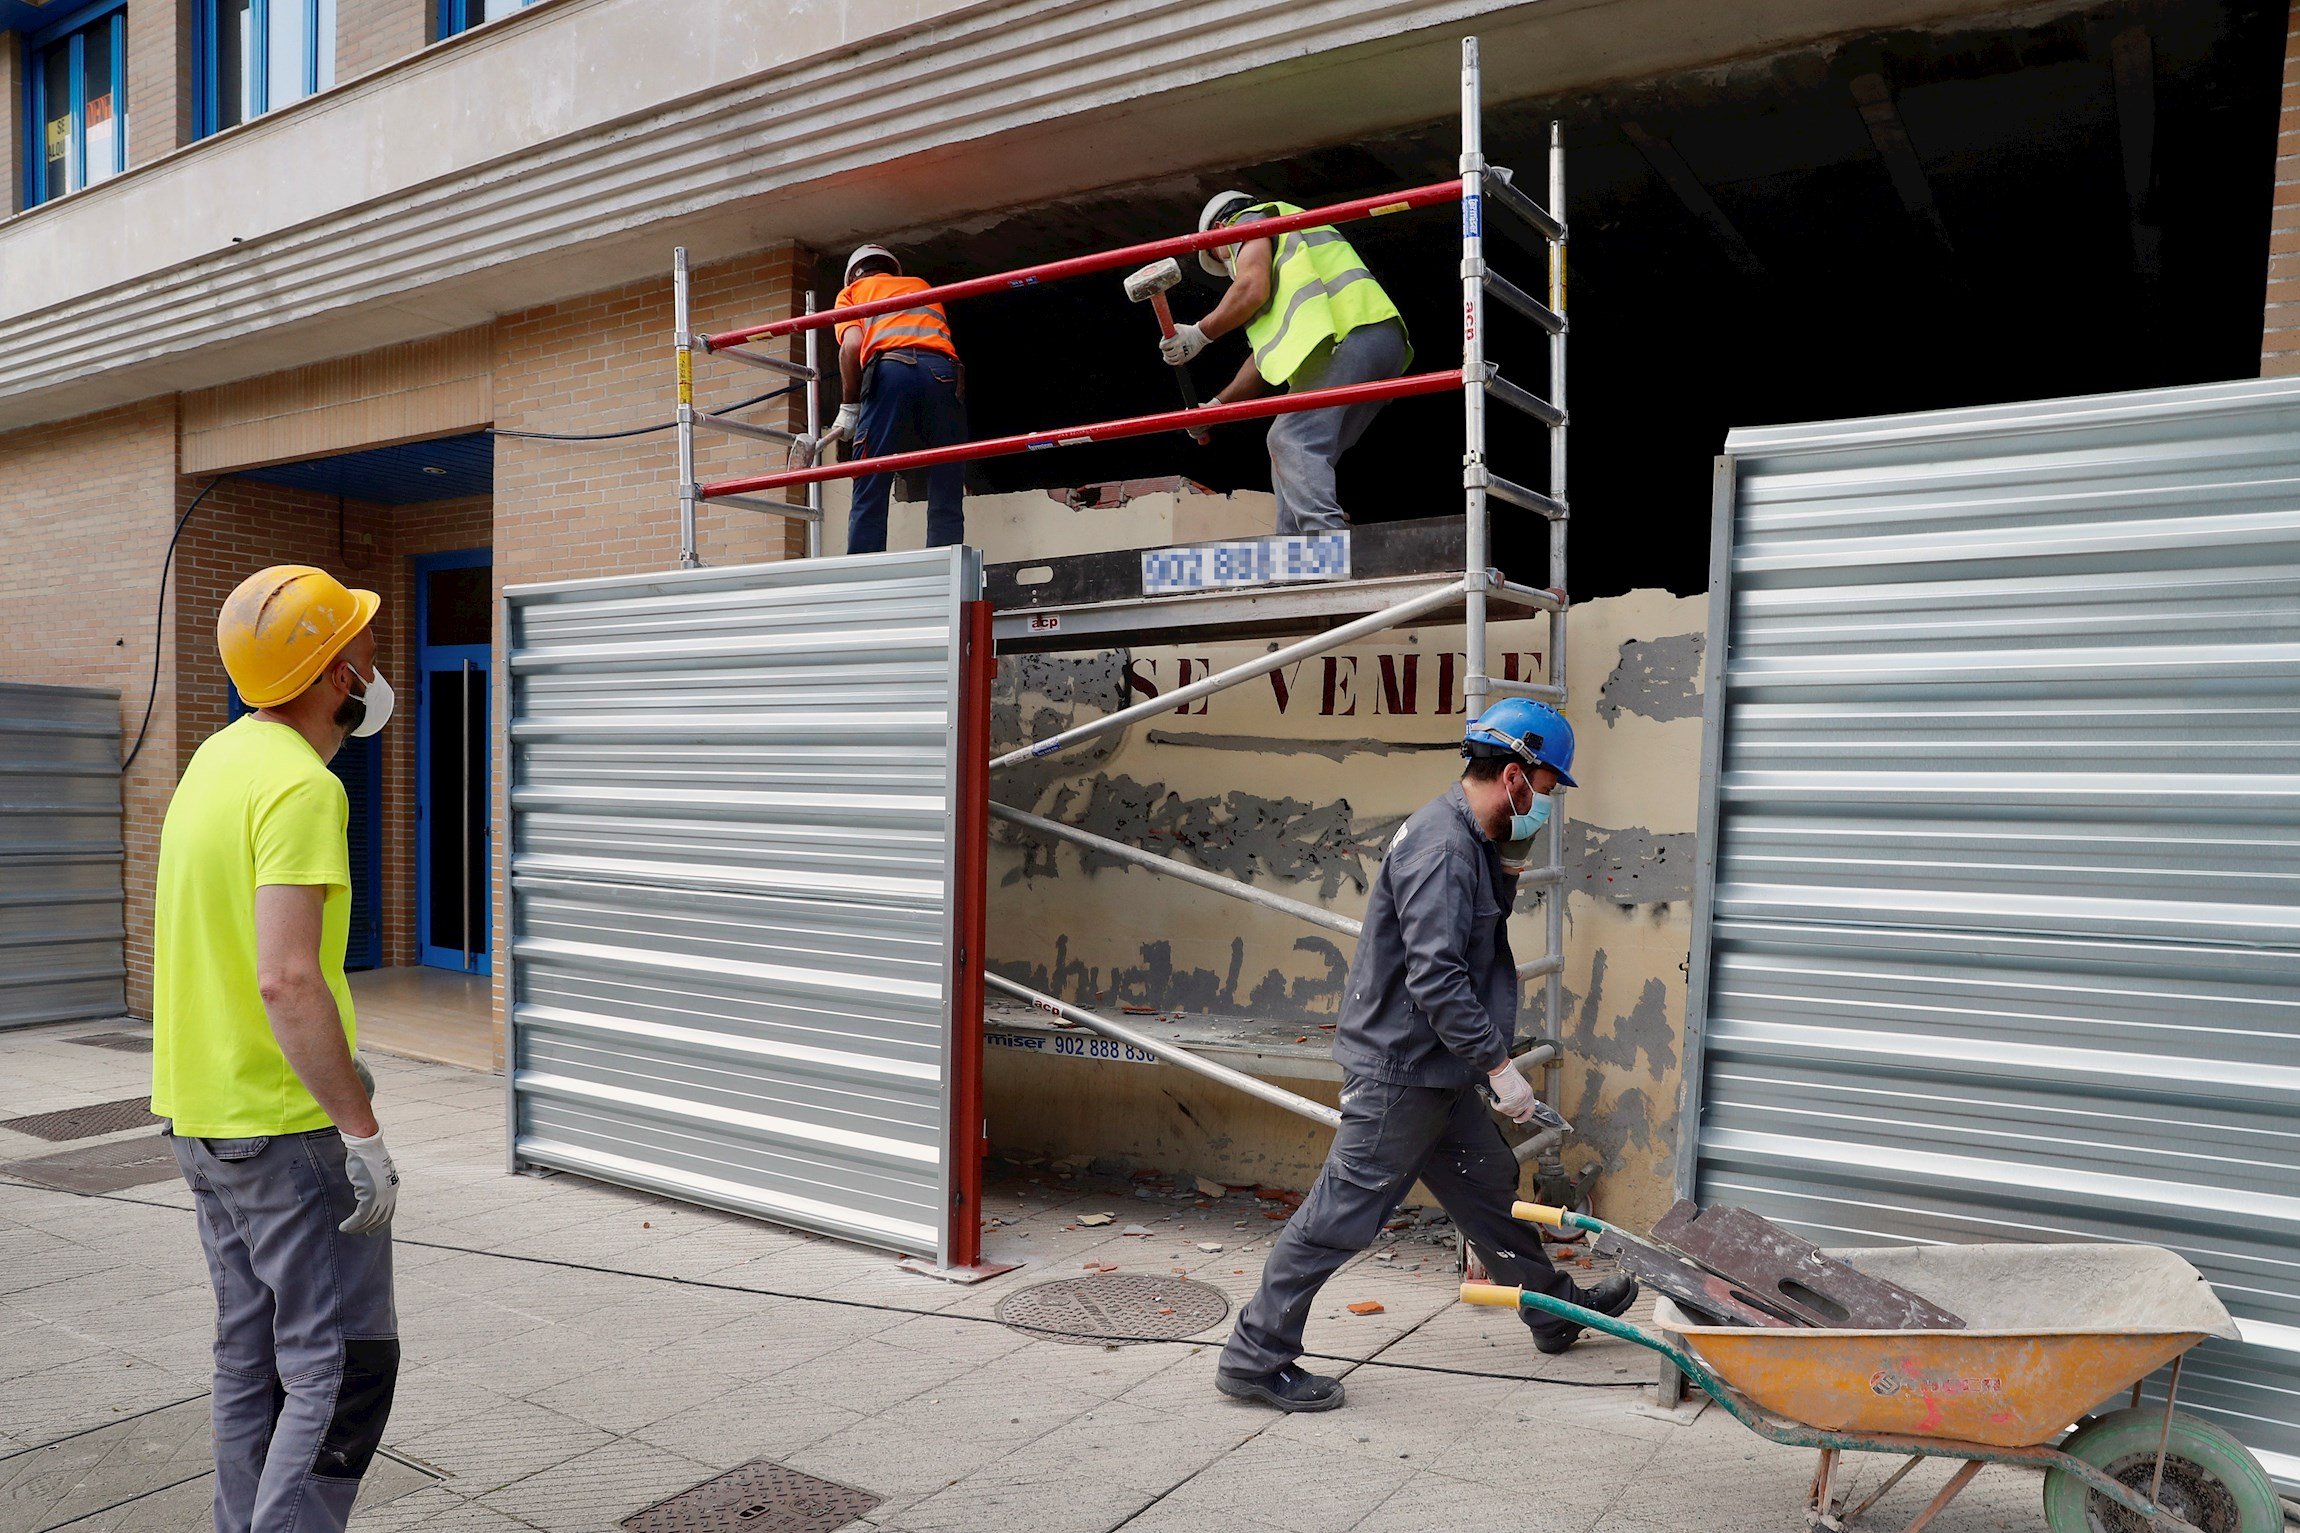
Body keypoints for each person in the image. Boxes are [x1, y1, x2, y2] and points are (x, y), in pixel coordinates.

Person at [1215, 699, 1639, 1412]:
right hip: (1400, 1072)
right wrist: (1499, 1067)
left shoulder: (1472, 840)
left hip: (1435, 1069)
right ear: (1514, 777)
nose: (1549, 804)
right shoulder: (1441, 848)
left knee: (1491, 1190)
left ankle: (1552, 1310)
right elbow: (1436, 976)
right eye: (1547, 788)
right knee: (1339, 1214)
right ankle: (1254, 1356)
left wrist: (1510, 851)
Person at [153, 564, 403, 1532]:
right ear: (336, 675)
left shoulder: (215, 762)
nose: (377, 663)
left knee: (250, 1361)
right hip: (287, 1131)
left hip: (202, 1119)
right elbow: (286, 978)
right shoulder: (302, 790)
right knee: (341, 1370)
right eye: (365, 648)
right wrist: (361, 1128)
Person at [1158, 190, 1412, 534]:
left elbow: (1251, 287)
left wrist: (1200, 334)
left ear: (1220, 229)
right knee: (1294, 456)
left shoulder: (1248, 221)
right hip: (1376, 341)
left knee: (1291, 439)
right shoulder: (1288, 249)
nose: (1229, 268)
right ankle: (1292, 551)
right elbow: (1263, 362)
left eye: (1219, 256)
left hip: (1349, 336)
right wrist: (1216, 407)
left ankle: (1327, 542)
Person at [822, 243, 967, 553]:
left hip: (891, 369)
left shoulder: (851, 293)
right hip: (943, 372)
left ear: (853, 276)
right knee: (946, 469)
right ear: (891, 268)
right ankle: (946, 561)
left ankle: (865, 566)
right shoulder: (921, 286)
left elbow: (850, 347)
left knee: (872, 470)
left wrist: (849, 407)